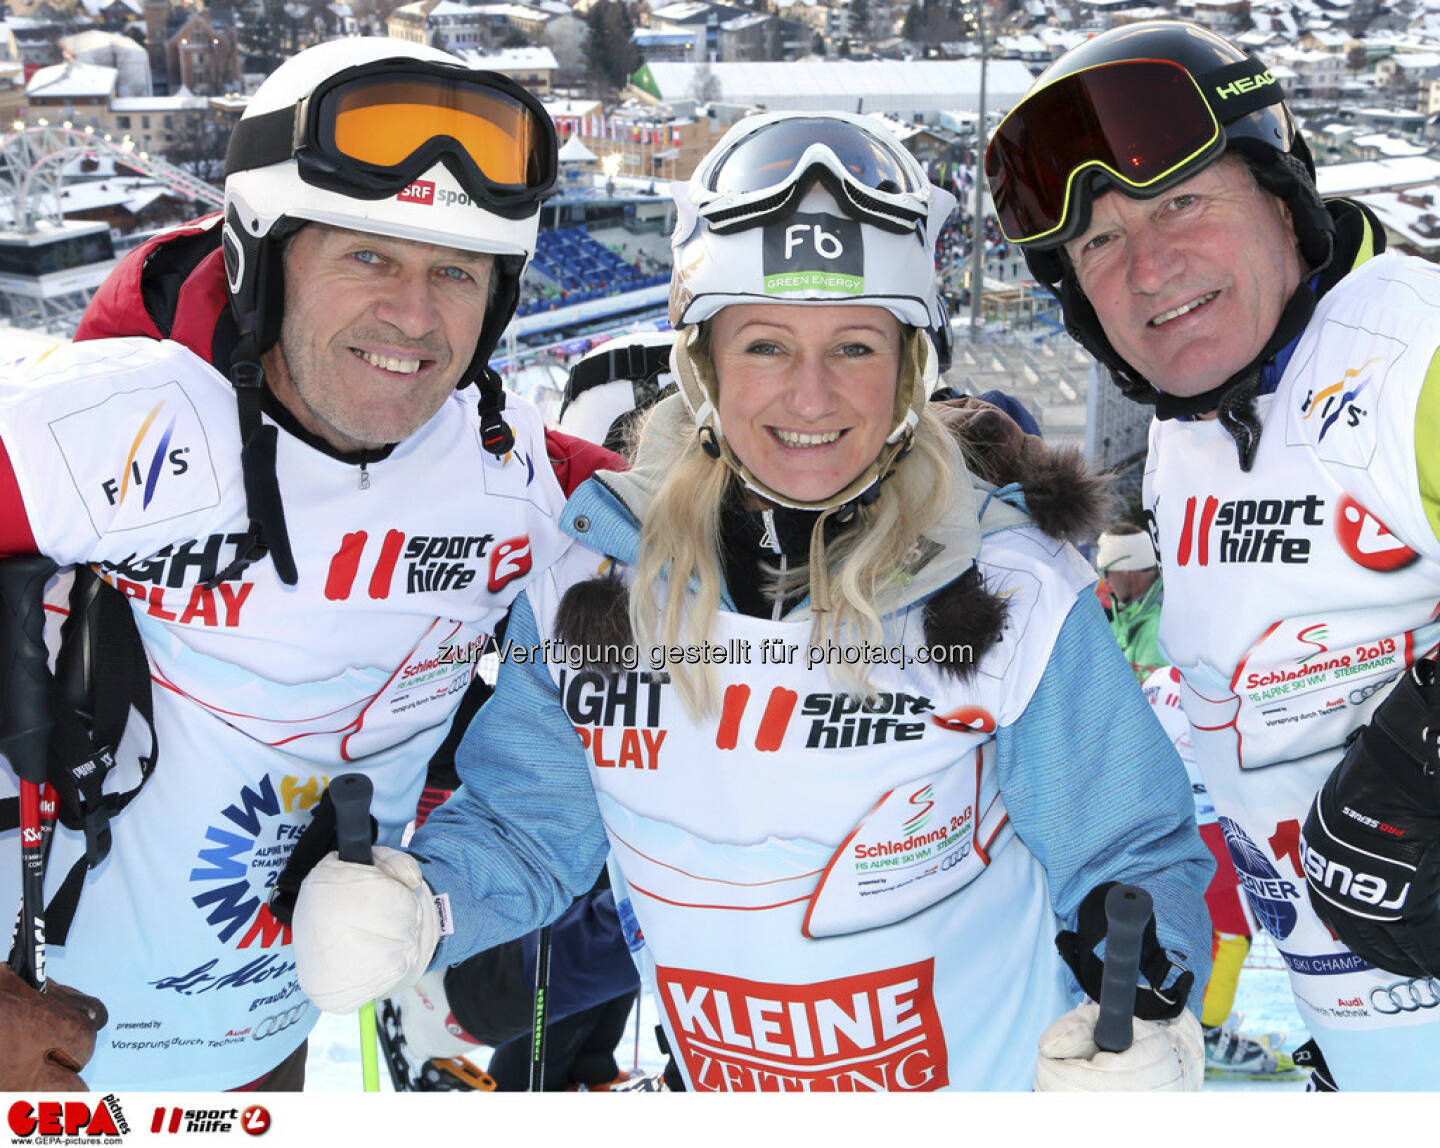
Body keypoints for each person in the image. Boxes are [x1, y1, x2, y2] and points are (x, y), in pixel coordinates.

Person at [292, 110, 1214, 1092]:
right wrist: (418, 900)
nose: (810, 398)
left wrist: (1150, 1013)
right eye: (767, 345)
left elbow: (1128, 849)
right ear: (704, 364)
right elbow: (529, 825)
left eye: (855, 347)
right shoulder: (591, 582)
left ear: (910, 370)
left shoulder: (1008, 590)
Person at [0, 37, 620, 1091]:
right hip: (41, 1052)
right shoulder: (94, 428)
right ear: (261, 260)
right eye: (367, 255)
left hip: (265, 1058)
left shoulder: (525, 483)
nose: (414, 316)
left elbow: (738, 529)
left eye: (455, 273)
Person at [985, 18, 1440, 1090]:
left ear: (1284, 197)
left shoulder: (1409, 354)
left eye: (1182, 202)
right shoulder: (1189, 437)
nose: (1150, 268)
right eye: (1098, 243)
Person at [1141, 666, 1298, 1081]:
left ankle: (1188, 1018)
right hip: (1215, 830)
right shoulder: (1231, 691)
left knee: (1181, 926)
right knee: (1232, 934)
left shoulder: (1158, 680)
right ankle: (1205, 1032)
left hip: (1162, 821)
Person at [1095, 524, 1164, 681]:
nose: (1106, 580)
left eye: (1106, 571)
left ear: (1125, 567)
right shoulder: (1125, 617)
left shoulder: (1161, 624)